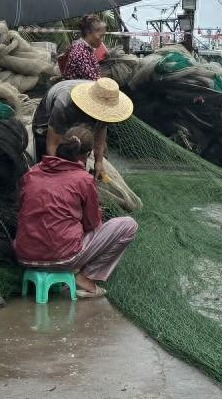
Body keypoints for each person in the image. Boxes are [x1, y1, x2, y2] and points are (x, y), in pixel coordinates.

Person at [14, 126, 138, 298]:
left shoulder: (32, 173)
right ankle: (86, 278)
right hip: (62, 257)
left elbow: (22, 209)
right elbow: (92, 224)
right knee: (128, 225)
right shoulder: (84, 179)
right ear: (86, 156)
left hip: (24, 257)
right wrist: (93, 204)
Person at [33, 77, 133, 182]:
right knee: (47, 160)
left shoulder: (104, 98)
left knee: (81, 151)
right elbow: (52, 144)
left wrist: (98, 162)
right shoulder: (64, 103)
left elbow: (100, 133)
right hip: (46, 120)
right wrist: (56, 173)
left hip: (78, 116)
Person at [60, 14, 107, 81]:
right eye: (100, 36)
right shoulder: (80, 52)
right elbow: (94, 81)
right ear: (88, 32)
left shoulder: (86, 49)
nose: (102, 40)